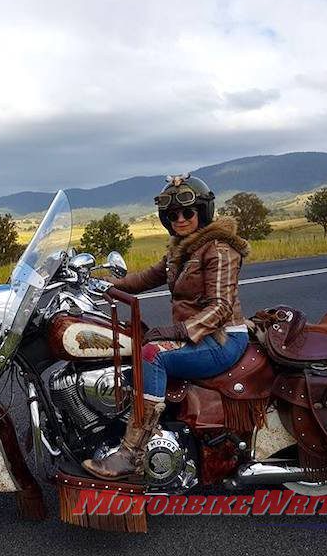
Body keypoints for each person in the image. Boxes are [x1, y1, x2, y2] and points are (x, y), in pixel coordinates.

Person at [82, 173, 250, 481]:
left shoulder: (219, 249)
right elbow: (144, 278)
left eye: (188, 212)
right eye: (173, 214)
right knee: (129, 347)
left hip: (221, 339)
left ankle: (130, 454)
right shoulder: (181, 250)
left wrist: (179, 331)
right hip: (200, 336)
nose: (181, 218)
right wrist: (99, 286)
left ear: (202, 212)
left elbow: (222, 309)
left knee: (151, 355)